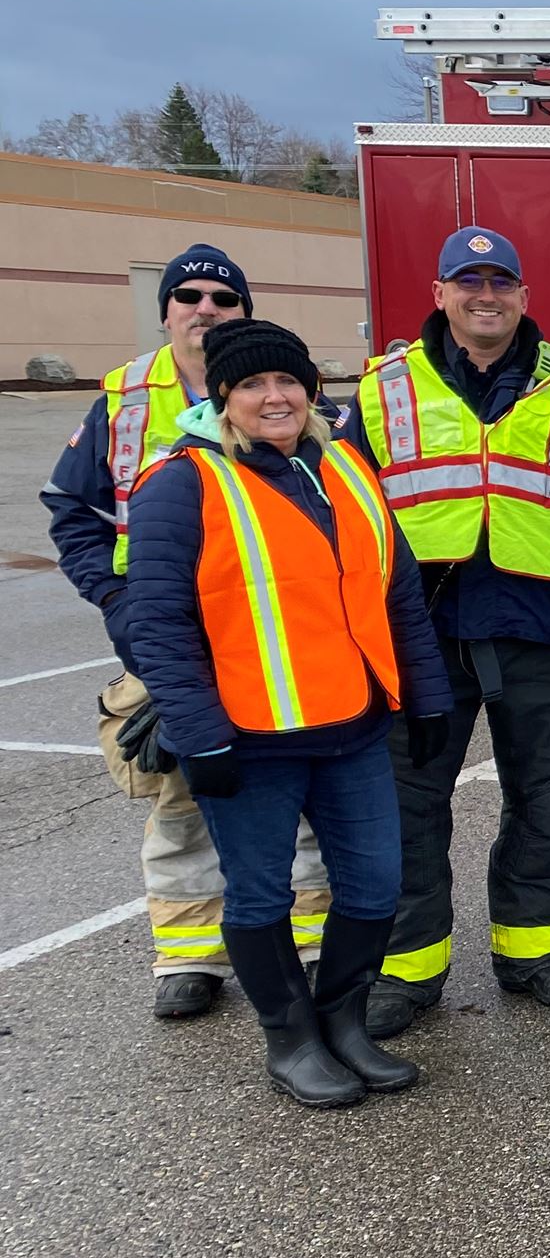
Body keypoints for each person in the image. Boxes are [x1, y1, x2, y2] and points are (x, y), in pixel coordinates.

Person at [119, 320, 450, 1107]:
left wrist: (428, 697)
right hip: (249, 741)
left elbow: (398, 593)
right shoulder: (182, 484)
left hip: (352, 728)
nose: (275, 397)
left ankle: (342, 1024)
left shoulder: (345, 467)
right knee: (261, 894)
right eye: (252, 384)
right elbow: (158, 625)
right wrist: (199, 735)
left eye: (288, 381)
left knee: (374, 885)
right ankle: (291, 1040)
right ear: (222, 398)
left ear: (310, 389)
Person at [339, 226, 550, 1039]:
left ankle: (534, 952)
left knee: (546, 797)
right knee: (408, 807)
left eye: (501, 282)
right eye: (468, 282)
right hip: (420, 634)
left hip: (538, 630)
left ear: (524, 297)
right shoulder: (382, 394)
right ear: (439, 294)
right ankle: (408, 968)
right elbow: (342, 519)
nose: (485, 296)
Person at [43, 244, 333, 1015]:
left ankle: (310, 941)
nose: (206, 309)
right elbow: (73, 512)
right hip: (172, 644)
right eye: (189, 296)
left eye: (223, 299)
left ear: (245, 312)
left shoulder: (288, 392)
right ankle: (190, 955)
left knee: (301, 800)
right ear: (165, 310)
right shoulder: (125, 401)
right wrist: (119, 602)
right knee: (181, 805)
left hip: (278, 640)